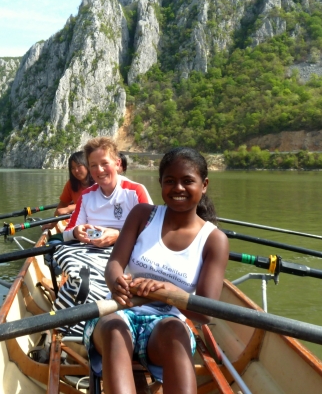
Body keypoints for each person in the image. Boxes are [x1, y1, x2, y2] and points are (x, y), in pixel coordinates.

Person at [83, 147, 229, 393]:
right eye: (170, 181)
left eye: (187, 181)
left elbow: (205, 313)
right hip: (119, 311)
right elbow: (115, 264)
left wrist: (171, 291)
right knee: (115, 330)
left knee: (176, 331)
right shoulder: (143, 215)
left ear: (204, 185)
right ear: (161, 183)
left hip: (165, 323)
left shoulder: (214, 240)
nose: (178, 188)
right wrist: (116, 282)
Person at [53, 137, 153, 336]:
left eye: (104, 163)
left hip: (126, 253)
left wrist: (118, 236)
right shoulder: (87, 196)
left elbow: (153, 233)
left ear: (117, 163)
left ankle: (83, 313)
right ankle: (85, 298)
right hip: (90, 251)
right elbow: (66, 233)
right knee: (62, 249)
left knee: (83, 280)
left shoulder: (135, 191)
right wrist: (75, 232)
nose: (99, 170)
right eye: (93, 166)